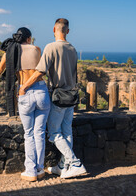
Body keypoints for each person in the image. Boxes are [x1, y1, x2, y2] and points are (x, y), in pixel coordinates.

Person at [0, 27, 50, 182]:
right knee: (39, 133)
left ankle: (30, 171)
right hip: (41, 91)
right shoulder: (37, 49)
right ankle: (39, 168)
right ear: (29, 38)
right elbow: (42, 70)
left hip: (24, 92)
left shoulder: (9, 53)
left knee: (29, 133)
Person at [19, 18, 86, 179]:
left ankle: (75, 163)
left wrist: (24, 87)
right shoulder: (73, 49)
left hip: (58, 96)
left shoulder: (51, 47)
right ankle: (63, 166)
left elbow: (40, 71)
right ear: (68, 31)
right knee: (66, 131)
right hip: (71, 96)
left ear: (54, 30)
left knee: (54, 133)